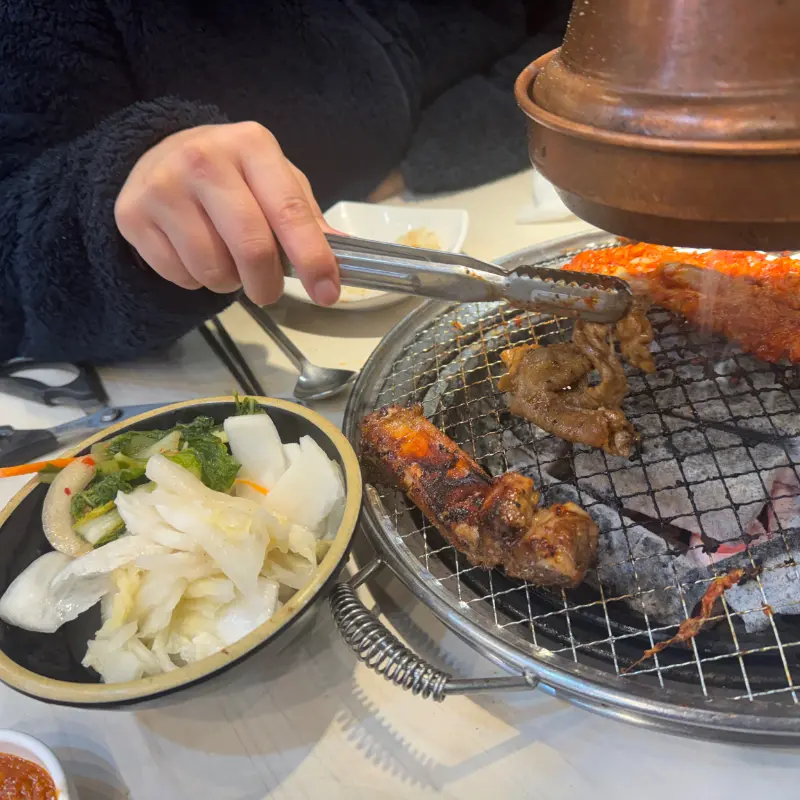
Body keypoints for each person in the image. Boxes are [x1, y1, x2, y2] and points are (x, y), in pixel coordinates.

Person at [0, 0, 570, 365]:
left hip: (485, 210)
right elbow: (14, 270)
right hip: (212, 353)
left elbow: (561, 34)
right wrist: (113, 204)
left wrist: (427, 158)